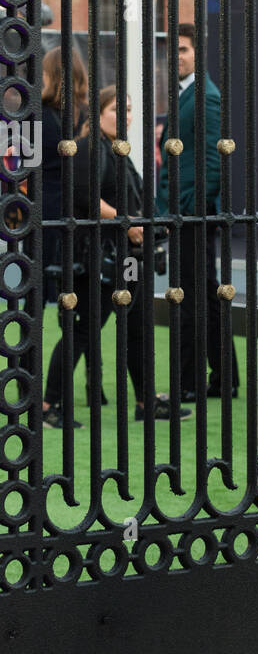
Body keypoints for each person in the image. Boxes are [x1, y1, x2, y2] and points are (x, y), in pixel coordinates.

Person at [43, 87, 191, 426]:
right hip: (99, 256)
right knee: (85, 330)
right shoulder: (86, 148)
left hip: (128, 256)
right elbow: (86, 199)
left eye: (128, 109)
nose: (125, 115)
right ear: (97, 112)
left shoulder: (117, 150)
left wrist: (149, 223)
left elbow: (133, 197)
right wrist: (126, 221)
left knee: (137, 327)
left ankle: (145, 401)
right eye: (116, 109)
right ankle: (49, 405)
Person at [155, 24, 239, 400]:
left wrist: (190, 211)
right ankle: (225, 377)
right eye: (174, 52)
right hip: (185, 212)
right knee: (204, 292)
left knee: (191, 296)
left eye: (184, 50)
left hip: (194, 214)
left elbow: (211, 161)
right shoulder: (186, 94)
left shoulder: (206, 96)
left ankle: (189, 384)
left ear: (198, 55)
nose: (178, 58)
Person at [41, 45, 88, 306]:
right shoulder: (88, 114)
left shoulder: (35, 111)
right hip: (80, 206)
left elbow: (19, 163)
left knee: (40, 280)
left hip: (45, 204)